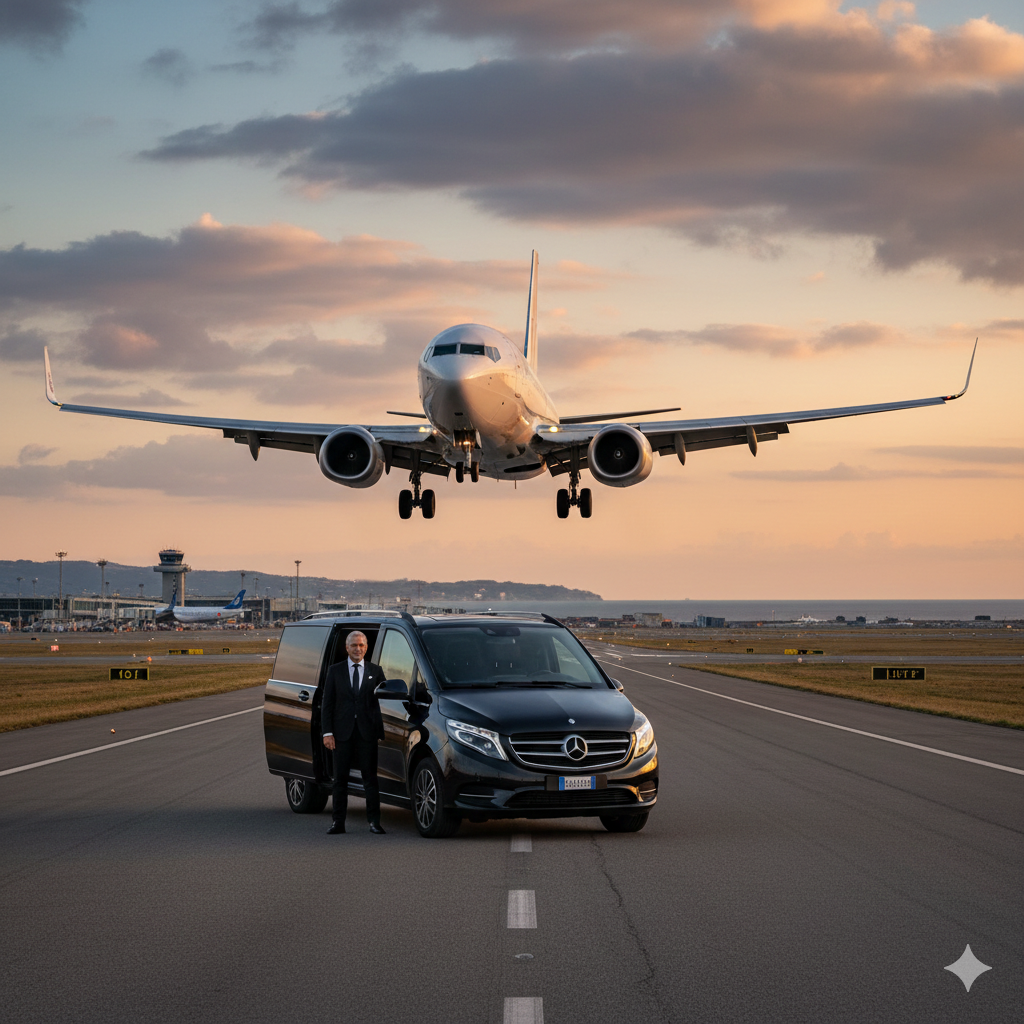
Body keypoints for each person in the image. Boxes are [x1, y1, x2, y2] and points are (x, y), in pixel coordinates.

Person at [321, 630, 387, 835]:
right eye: (353, 645)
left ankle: (374, 822)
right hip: (341, 734)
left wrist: (380, 730)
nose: (357, 649)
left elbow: (384, 702)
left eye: (361, 645)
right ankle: (338, 822)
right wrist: (327, 733)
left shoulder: (376, 671)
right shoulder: (335, 671)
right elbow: (327, 704)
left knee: (370, 779)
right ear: (347, 648)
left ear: (366, 648)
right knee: (340, 780)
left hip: (367, 734)